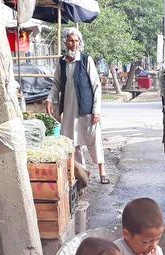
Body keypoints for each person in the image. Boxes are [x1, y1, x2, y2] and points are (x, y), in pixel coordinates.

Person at [46, 28, 109, 184]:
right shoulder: (61, 62)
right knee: (73, 143)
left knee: (94, 138)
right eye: (70, 41)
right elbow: (56, 84)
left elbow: (96, 86)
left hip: (87, 108)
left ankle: (102, 171)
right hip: (69, 109)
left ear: (80, 43)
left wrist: (96, 110)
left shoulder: (86, 60)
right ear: (66, 42)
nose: (73, 44)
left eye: (76, 41)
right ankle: (82, 173)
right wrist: (50, 99)